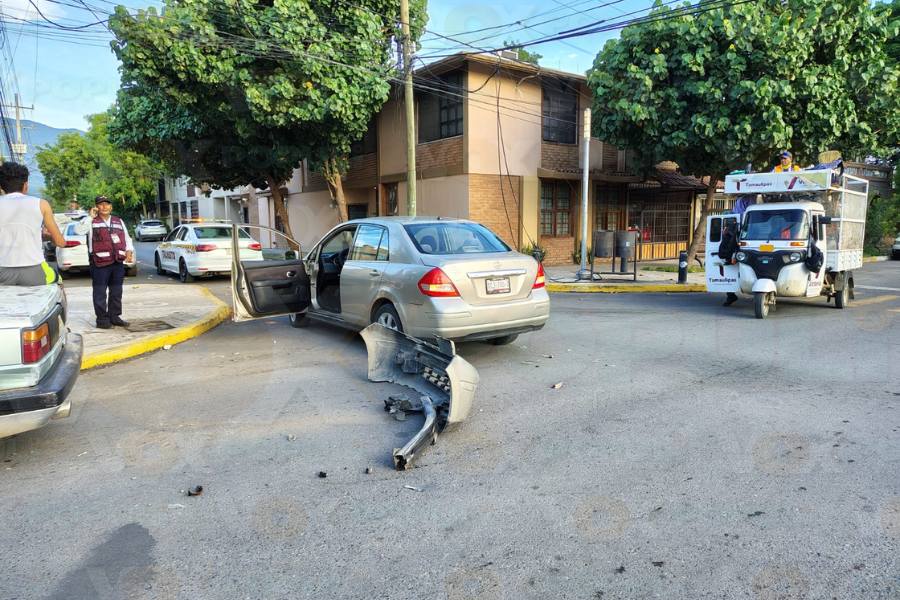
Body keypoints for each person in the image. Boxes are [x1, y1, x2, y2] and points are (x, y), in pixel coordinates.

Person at [0, 161, 66, 286]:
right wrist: (46, 236)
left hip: (2, 271)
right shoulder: (41, 204)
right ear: (25, 185)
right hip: (34, 271)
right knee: (58, 280)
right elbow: (60, 242)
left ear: (1, 186)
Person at [75, 196, 133, 329]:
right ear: (96, 207)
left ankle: (114, 316)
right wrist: (90, 217)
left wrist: (129, 251)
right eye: (101, 205)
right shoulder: (91, 221)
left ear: (111, 207)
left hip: (117, 261)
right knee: (100, 292)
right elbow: (78, 231)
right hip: (99, 262)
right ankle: (102, 320)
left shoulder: (118, 221)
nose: (104, 207)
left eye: (107, 204)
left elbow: (127, 238)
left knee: (116, 291)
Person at [718, 221, 740, 306]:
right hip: (730, 259)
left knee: (730, 278)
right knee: (728, 278)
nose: (723, 230)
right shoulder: (730, 234)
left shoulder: (731, 235)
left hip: (732, 259)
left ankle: (731, 296)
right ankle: (731, 295)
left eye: (724, 228)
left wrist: (732, 258)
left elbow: (733, 246)